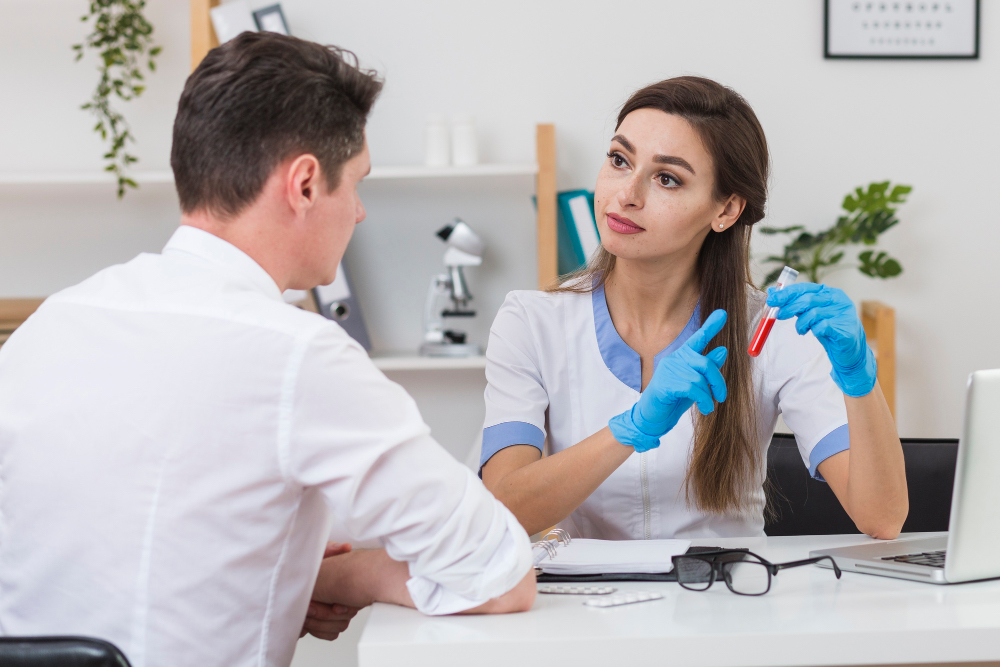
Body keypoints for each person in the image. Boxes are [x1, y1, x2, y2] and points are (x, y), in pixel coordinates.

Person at [0, 32, 535, 667]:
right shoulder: (297, 354)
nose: (359, 213)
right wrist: (344, 578)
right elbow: (497, 572)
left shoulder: (53, 322)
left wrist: (291, 568)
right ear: (305, 184)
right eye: (356, 184)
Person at [480, 76, 908, 541]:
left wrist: (859, 379)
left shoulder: (772, 331)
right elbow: (502, 507)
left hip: (730, 600)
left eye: (667, 178)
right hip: (587, 604)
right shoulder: (531, 321)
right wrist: (630, 429)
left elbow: (881, 518)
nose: (627, 194)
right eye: (619, 160)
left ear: (725, 209)